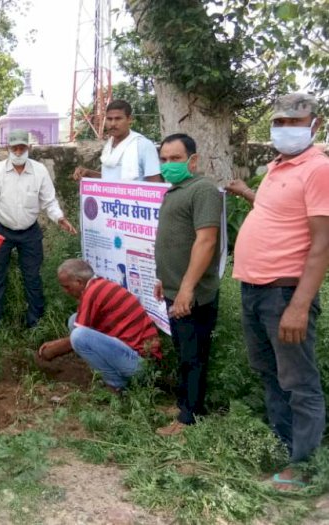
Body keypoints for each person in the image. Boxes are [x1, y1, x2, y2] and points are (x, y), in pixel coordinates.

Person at [228, 93, 329, 489]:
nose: (285, 129)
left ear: (314, 125)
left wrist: (299, 306)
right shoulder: (277, 167)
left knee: (299, 382)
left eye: (294, 122)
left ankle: (304, 467)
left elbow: (322, 243)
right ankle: (283, 448)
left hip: (284, 294)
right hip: (255, 290)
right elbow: (279, 214)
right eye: (280, 122)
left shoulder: (318, 168)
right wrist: (246, 194)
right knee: (270, 375)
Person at [0, 129, 77, 346]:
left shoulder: (39, 171)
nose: (18, 151)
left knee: (33, 278)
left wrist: (59, 218)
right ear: (8, 149)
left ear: (29, 148)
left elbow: (49, 201)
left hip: (29, 231)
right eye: (14, 147)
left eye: (22, 147)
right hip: (1, 230)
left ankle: (35, 326)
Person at [153, 133, 222, 436]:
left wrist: (186, 288)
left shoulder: (203, 190)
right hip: (173, 288)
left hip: (192, 293)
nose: (169, 165)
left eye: (176, 159)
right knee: (183, 350)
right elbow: (173, 241)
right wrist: (164, 278)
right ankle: (187, 404)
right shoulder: (173, 191)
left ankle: (188, 418)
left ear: (193, 160)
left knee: (193, 356)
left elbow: (206, 241)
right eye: (164, 159)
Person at [37, 259, 161, 390]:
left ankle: (116, 384)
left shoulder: (92, 293)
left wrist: (48, 352)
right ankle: (114, 376)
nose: (65, 291)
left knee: (78, 336)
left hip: (142, 365)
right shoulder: (97, 286)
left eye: (67, 287)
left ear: (79, 282)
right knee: (74, 321)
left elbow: (75, 339)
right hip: (134, 356)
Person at [73, 99, 161, 182]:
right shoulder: (108, 146)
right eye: (109, 119)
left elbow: (155, 184)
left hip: (135, 198)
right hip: (109, 198)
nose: (113, 124)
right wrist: (88, 173)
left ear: (129, 119)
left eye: (118, 119)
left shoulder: (144, 145)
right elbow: (110, 180)